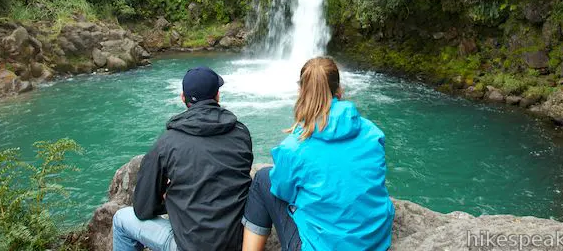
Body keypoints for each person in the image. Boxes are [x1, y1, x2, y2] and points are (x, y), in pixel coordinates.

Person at [242, 57, 395, 251]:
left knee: (263, 178)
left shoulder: (294, 148)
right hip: (375, 242)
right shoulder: (373, 132)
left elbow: (282, 191)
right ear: (339, 90)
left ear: (301, 92)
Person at [113, 66, 254, 251]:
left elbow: (142, 209)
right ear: (217, 95)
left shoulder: (167, 142)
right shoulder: (241, 133)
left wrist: (172, 199)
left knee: (121, 219)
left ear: (183, 98)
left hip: (189, 245)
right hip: (235, 242)